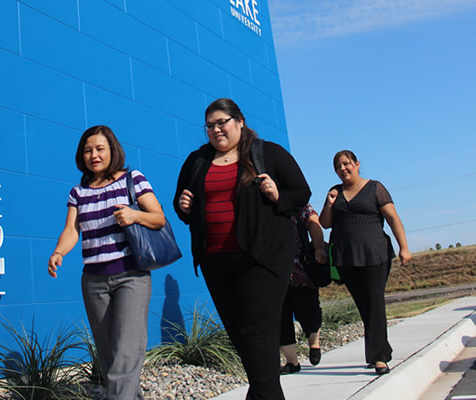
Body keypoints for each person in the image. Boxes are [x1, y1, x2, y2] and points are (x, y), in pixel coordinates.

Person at [173, 98, 311, 399]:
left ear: (240, 121)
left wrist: (276, 194)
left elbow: (301, 193)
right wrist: (183, 206)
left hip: (262, 259)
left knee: (257, 334)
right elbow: (182, 204)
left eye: (222, 122)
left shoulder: (267, 153)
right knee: (241, 337)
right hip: (216, 261)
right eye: (210, 125)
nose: (216, 129)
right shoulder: (197, 161)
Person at [48, 125, 165, 399]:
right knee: (110, 355)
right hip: (93, 281)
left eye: (100, 148)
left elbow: (158, 217)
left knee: (126, 350)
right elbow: (71, 231)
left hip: (131, 276)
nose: (94, 155)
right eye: (88, 150)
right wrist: (58, 252)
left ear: (112, 150)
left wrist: (135, 216)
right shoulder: (78, 192)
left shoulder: (132, 179)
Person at [319, 150, 412, 376]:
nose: (343, 169)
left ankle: (377, 357)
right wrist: (329, 203)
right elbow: (325, 223)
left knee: (374, 301)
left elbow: (392, 218)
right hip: (346, 257)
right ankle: (383, 348)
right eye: (338, 167)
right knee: (364, 305)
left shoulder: (375, 188)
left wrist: (404, 247)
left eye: (346, 164)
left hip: (375, 254)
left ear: (357, 164)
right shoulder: (335, 192)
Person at [279, 203, 326, 375]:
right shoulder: (259, 204)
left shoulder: (296, 202)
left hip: (301, 269)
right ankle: (292, 362)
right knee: (280, 317)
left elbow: (313, 220)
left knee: (310, 311)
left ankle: (314, 342)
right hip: (274, 273)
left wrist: (319, 248)